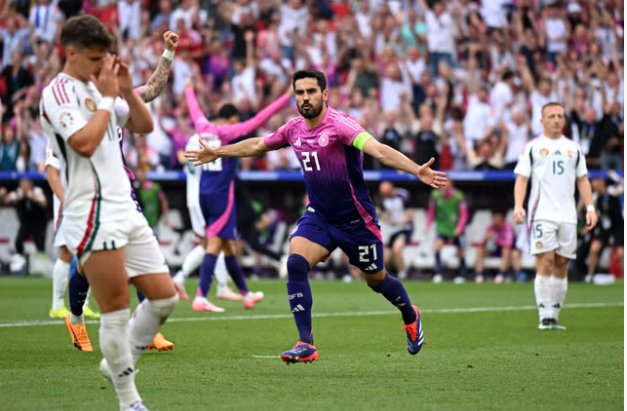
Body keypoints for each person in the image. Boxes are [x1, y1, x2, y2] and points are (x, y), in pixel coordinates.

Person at [186, 69, 447, 364]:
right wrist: (219, 152)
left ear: (325, 94)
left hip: (356, 221)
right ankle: (305, 343)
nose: (305, 98)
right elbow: (258, 144)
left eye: (311, 92)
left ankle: (411, 315)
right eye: (299, 93)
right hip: (320, 216)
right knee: (295, 263)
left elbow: (378, 150)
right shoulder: (293, 129)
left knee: (376, 279)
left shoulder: (340, 126)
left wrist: (416, 170)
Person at [40, 16, 178, 410]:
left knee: (164, 299)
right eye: (96, 58)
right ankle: (129, 400)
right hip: (90, 208)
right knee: (116, 310)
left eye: (106, 59)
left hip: (124, 204)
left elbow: (145, 124)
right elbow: (83, 143)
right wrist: (105, 98)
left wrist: (125, 91)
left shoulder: (99, 86)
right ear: (72, 53)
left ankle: (118, 362)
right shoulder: (59, 93)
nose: (103, 66)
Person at [62, 30, 181, 353]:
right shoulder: (68, 103)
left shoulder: (115, 102)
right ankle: (75, 318)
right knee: (88, 264)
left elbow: (153, 89)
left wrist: (168, 54)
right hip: (87, 193)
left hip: (122, 189)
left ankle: (149, 327)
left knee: (145, 256)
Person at [180, 82, 291, 312]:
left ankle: (245, 293)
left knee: (230, 247)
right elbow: (258, 120)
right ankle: (201, 295)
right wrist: (286, 97)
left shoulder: (201, 127)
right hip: (222, 195)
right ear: (230, 119)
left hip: (205, 192)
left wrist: (190, 90)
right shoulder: (227, 132)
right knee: (214, 244)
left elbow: (194, 109)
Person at [514, 101, 597, 331]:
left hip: (568, 215)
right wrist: (518, 205)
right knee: (546, 260)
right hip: (541, 214)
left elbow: (583, 180)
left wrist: (590, 208)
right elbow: (522, 178)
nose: (557, 120)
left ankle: (555, 315)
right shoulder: (532, 147)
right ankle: (544, 315)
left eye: (560, 116)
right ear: (542, 120)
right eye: (551, 116)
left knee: (561, 264)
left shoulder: (574, 148)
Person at [45, 147, 99, 320]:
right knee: (66, 251)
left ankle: (84, 303)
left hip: (88, 198)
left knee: (90, 250)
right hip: (67, 200)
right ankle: (57, 305)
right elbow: (52, 170)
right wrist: (65, 201)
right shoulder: (58, 126)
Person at [426, 179, 468, 283]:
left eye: (446, 186)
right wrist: (428, 225)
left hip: (456, 228)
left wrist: (460, 227)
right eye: (442, 186)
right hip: (442, 227)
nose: (444, 188)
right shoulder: (435, 195)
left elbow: (464, 214)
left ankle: (462, 275)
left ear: (451, 186)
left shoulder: (459, 196)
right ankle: (438, 273)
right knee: (437, 247)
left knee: (460, 252)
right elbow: (431, 212)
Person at [584, 177, 623, 282]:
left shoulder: (613, 192)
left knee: (621, 253)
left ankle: (622, 277)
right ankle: (590, 274)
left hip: (617, 226)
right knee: (594, 249)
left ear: (602, 183)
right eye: (593, 184)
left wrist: (616, 177)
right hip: (604, 228)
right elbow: (593, 212)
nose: (594, 186)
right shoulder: (595, 198)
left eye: (596, 183)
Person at [473, 211, 522, 284]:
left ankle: (501, 275)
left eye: (497, 220)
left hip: (508, 251)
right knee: (480, 250)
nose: (495, 222)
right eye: (494, 220)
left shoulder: (508, 228)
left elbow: (509, 244)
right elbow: (483, 243)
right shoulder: (490, 227)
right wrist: (483, 240)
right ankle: (479, 275)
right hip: (494, 250)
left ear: (502, 220)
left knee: (506, 250)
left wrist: (496, 238)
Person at [378, 180, 413, 279]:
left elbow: (409, 216)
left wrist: (397, 222)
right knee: (386, 256)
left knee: (397, 249)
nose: (384, 194)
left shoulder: (402, 195)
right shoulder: (384, 200)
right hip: (392, 231)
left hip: (404, 229)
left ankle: (403, 273)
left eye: (385, 192)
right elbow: (380, 213)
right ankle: (390, 274)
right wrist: (387, 218)